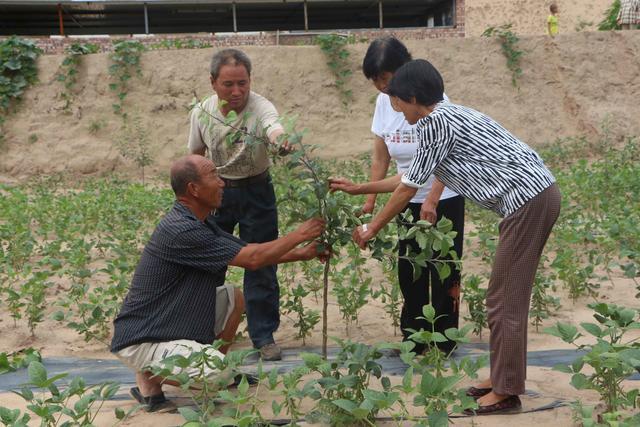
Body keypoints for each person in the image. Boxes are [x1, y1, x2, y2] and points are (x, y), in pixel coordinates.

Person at [351, 60, 561, 415]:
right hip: (532, 198)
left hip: (529, 200)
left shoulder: (436, 124)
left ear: (414, 97)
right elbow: (409, 175)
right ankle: (501, 378)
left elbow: (407, 188)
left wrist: (373, 228)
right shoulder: (447, 115)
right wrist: (361, 188)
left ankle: (507, 390)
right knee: (501, 298)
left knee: (504, 300)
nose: (396, 110)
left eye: (397, 101)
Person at [111, 155, 327, 412]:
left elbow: (248, 249)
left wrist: (302, 252)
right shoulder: (182, 230)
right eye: (214, 175)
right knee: (216, 373)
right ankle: (149, 376)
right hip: (142, 338)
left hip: (167, 325)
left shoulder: (200, 222)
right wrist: (299, 234)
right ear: (193, 189)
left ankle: (199, 369)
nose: (222, 183)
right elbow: (254, 259)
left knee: (233, 297)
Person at [329, 37, 465, 356]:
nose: (380, 86)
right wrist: (369, 201)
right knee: (410, 268)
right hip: (402, 197)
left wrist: (432, 198)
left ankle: (444, 339)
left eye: (385, 78)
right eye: (375, 79)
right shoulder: (383, 103)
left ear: (404, 69)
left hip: (443, 195)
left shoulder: (433, 98)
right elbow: (381, 156)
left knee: (443, 267)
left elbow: (447, 156)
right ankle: (415, 339)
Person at [187, 48, 290, 361]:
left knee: (262, 262)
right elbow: (195, 154)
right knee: (209, 264)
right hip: (216, 193)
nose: (237, 91)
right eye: (228, 84)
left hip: (257, 191)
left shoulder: (261, 107)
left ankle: (263, 336)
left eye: (242, 83)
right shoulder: (202, 112)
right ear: (213, 82)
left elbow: (273, 126)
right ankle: (203, 334)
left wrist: (281, 140)